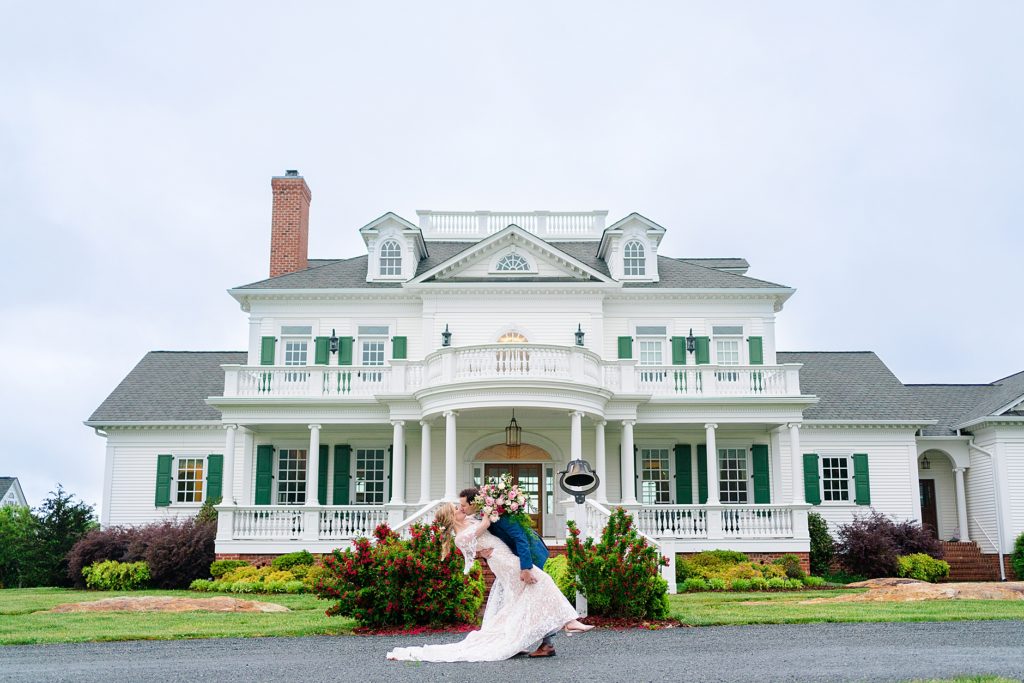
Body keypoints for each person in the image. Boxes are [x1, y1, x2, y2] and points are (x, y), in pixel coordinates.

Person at [385, 501, 592, 662]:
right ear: (451, 516)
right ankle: (568, 622)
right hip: (504, 562)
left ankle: (523, 636)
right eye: (457, 508)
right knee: (542, 582)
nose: (461, 509)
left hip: (504, 558)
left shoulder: (469, 523)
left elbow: (484, 534)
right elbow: (485, 524)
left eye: (460, 506)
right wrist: (492, 503)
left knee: (523, 597)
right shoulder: (460, 536)